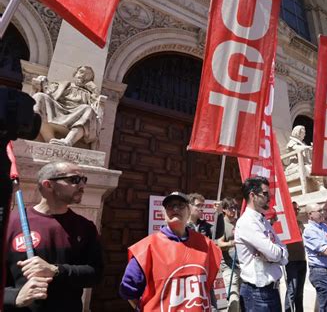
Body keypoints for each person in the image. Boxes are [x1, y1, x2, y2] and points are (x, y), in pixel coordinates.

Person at [4, 161, 103, 312]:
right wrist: (14, 296)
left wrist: (55, 270)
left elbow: (96, 274)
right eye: (74, 180)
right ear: (48, 185)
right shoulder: (10, 223)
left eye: (84, 179)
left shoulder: (85, 227)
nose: (82, 186)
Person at [119, 192, 222, 311]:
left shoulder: (205, 244)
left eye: (180, 205)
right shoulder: (146, 248)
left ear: (189, 211)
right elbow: (128, 291)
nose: (175, 209)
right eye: (170, 206)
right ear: (164, 214)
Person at [234, 176, 288, 311]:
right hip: (257, 293)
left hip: (271, 289)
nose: (268, 198)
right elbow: (274, 253)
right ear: (252, 195)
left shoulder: (263, 221)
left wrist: (276, 254)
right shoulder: (247, 221)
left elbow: (283, 251)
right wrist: (276, 254)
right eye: (265, 194)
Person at [32, 66, 103, 147]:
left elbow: (96, 107)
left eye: (88, 75)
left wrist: (94, 90)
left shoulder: (88, 94)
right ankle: (49, 139)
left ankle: (68, 141)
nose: (83, 76)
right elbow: (47, 91)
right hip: (57, 108)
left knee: (88, 109)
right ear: (75, 74)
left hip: (77, 113)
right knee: (39, 96)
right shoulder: (62, 84)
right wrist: (42, 81)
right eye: (81, 72)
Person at [303, 199, 327, 312]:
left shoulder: (326, 227)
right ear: (310, 215)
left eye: (322, 210)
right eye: (319, 210)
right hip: (322, 273)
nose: (322, 212)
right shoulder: (309, 231)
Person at [215, 197, 241, 312]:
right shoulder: (221, 224)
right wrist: (233, 242)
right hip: (229, 267)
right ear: (224, 210)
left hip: (243, 266)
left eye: (235, 208)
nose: (234, 210)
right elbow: (219, 244)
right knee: (234, 298)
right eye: (231, 208)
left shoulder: (239, 223)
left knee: (245, 298)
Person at [284, 201, 307, 312]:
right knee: (292, 290)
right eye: (295, 209)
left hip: (302, 259)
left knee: (300, 292)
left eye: (298, 209)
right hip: (291, 261)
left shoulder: (299, 223)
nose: (297, 211)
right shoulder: (285, 224)